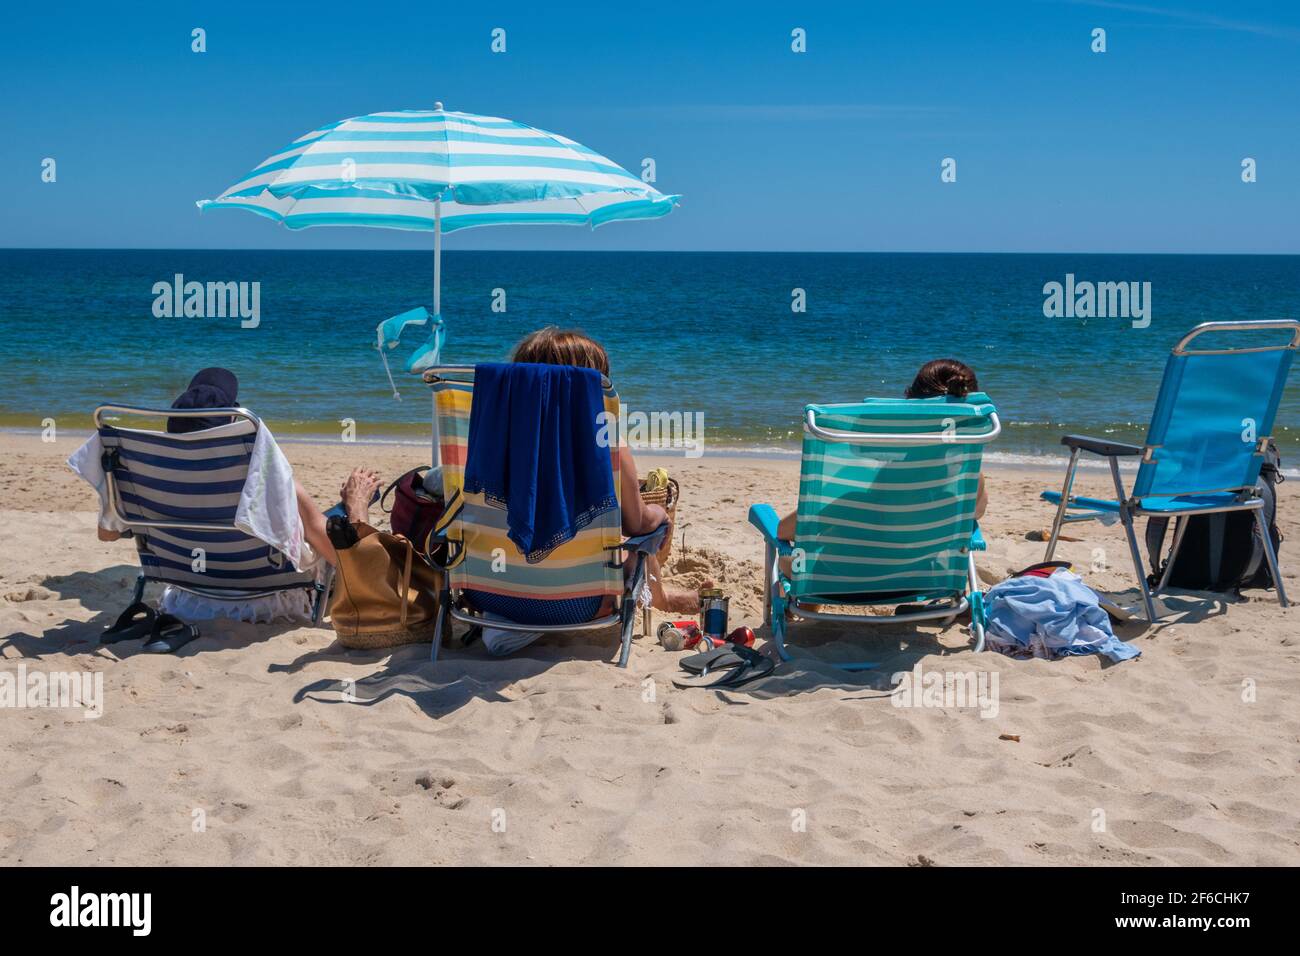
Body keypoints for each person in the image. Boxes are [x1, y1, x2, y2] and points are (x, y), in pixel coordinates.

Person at [69, 367, 382, 624]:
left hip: (189, 598)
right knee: (333, 516)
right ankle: (354, 500)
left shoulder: (143, 470)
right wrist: (355, 510)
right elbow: (322, 541)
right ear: (231, 420)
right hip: (266, 602)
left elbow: (108, 534)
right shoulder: (258, 472)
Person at [508, 327, 703, 615]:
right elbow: (636, 524)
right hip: (581, 604)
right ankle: (662, 600)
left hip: (496, 596)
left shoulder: (492, 443)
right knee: (641, 538)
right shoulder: (608, 443)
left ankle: (665, 597)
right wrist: (661, 516)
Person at [776, 357, 989, 552]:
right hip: (924, 581)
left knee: (788, 561)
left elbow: (785, 531)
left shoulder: (860, 499)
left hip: (844, 584)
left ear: (908, 404)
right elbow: (977, 513)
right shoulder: (968, 483)